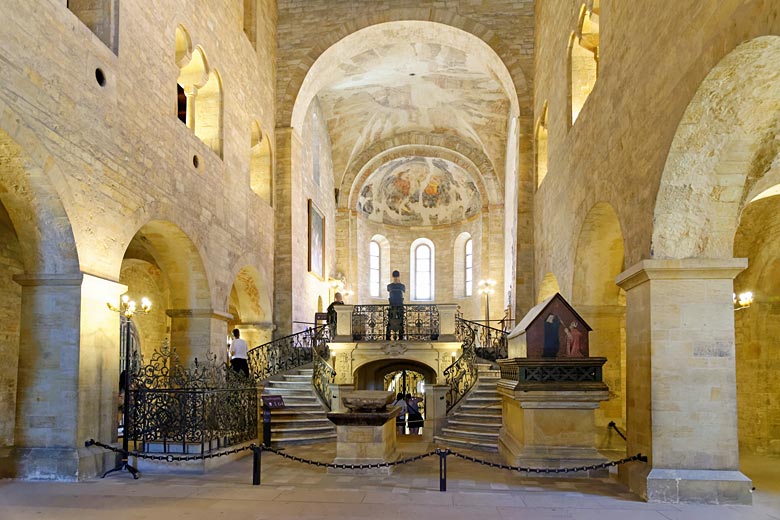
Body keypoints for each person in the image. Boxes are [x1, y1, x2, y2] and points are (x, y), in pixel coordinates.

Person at [386, 270, 406, 340]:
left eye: (397, 276)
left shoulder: (402, 286)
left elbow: (403, 290)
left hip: (400, 305)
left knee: (401, 321)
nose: (396, 278)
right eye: (395, 277)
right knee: (389, 320)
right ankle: (387, 337)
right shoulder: (389, 286)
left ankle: (401, 336)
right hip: (392, 305)